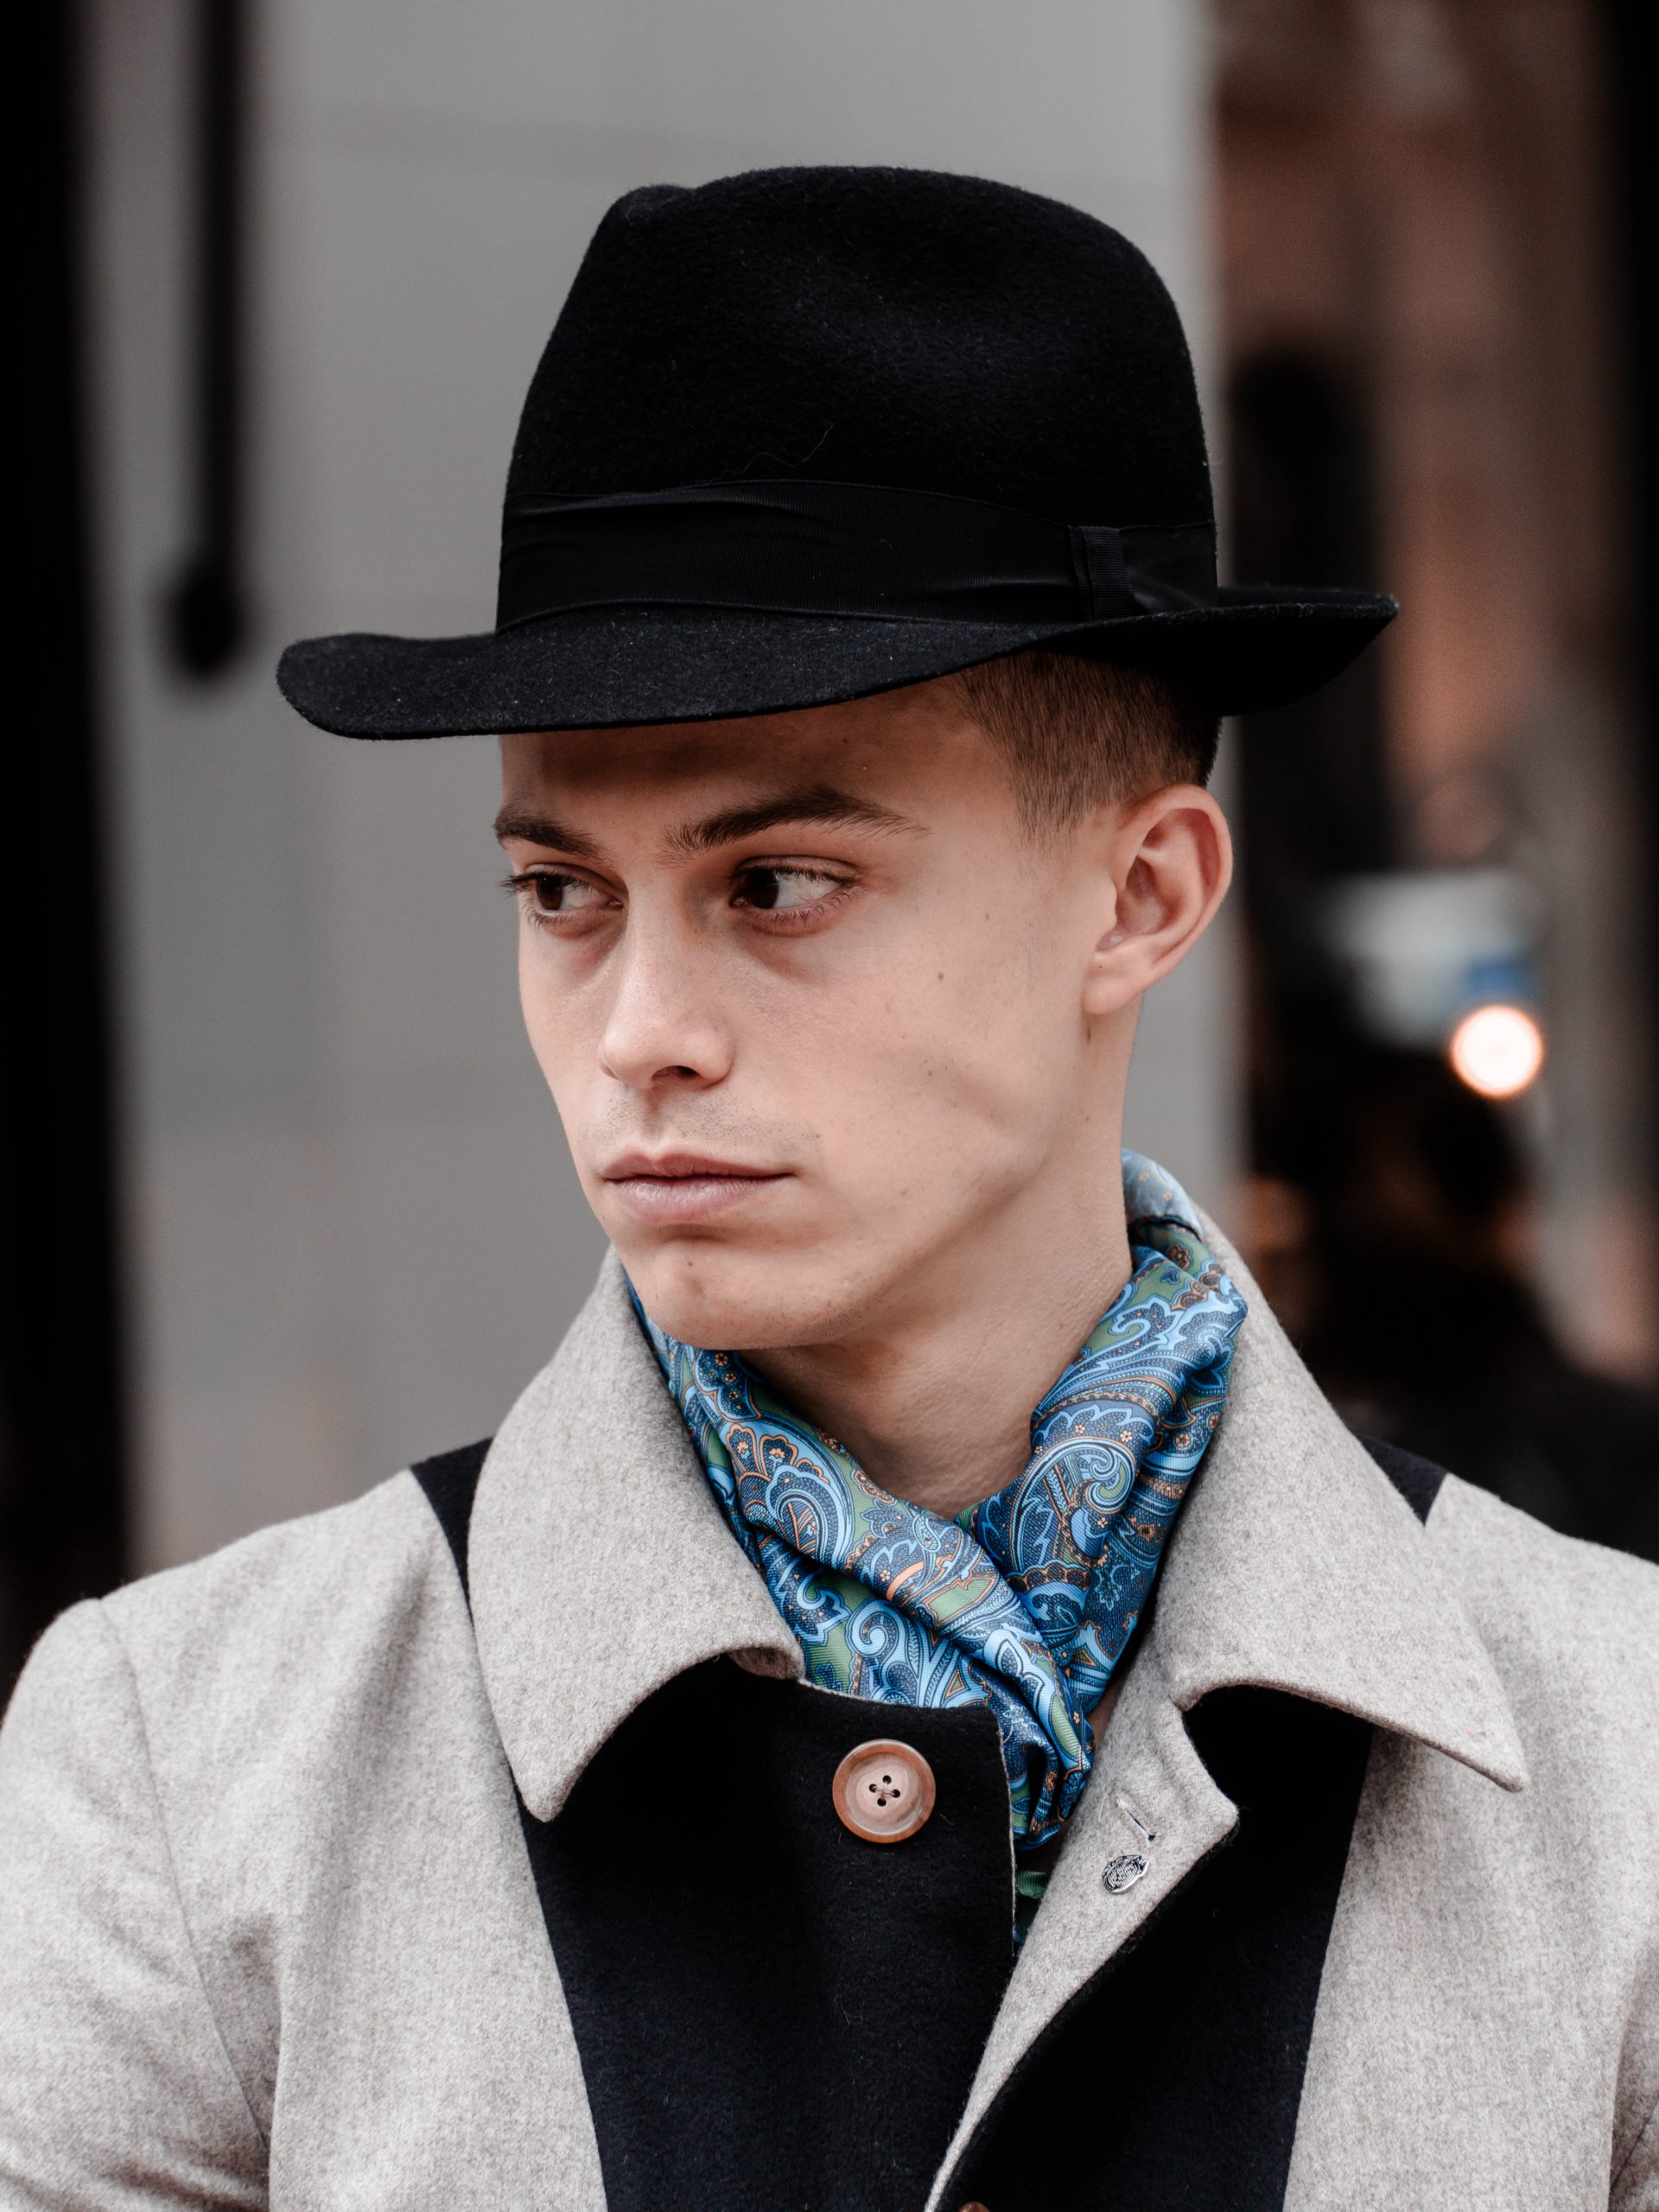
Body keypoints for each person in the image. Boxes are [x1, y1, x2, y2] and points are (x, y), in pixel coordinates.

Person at [1, 166, 1653, 2212]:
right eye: (561, 890)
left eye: (777, 882)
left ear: (1141, 894)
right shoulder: (191, 1762)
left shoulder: (1619, 1762)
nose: (639, 1030)